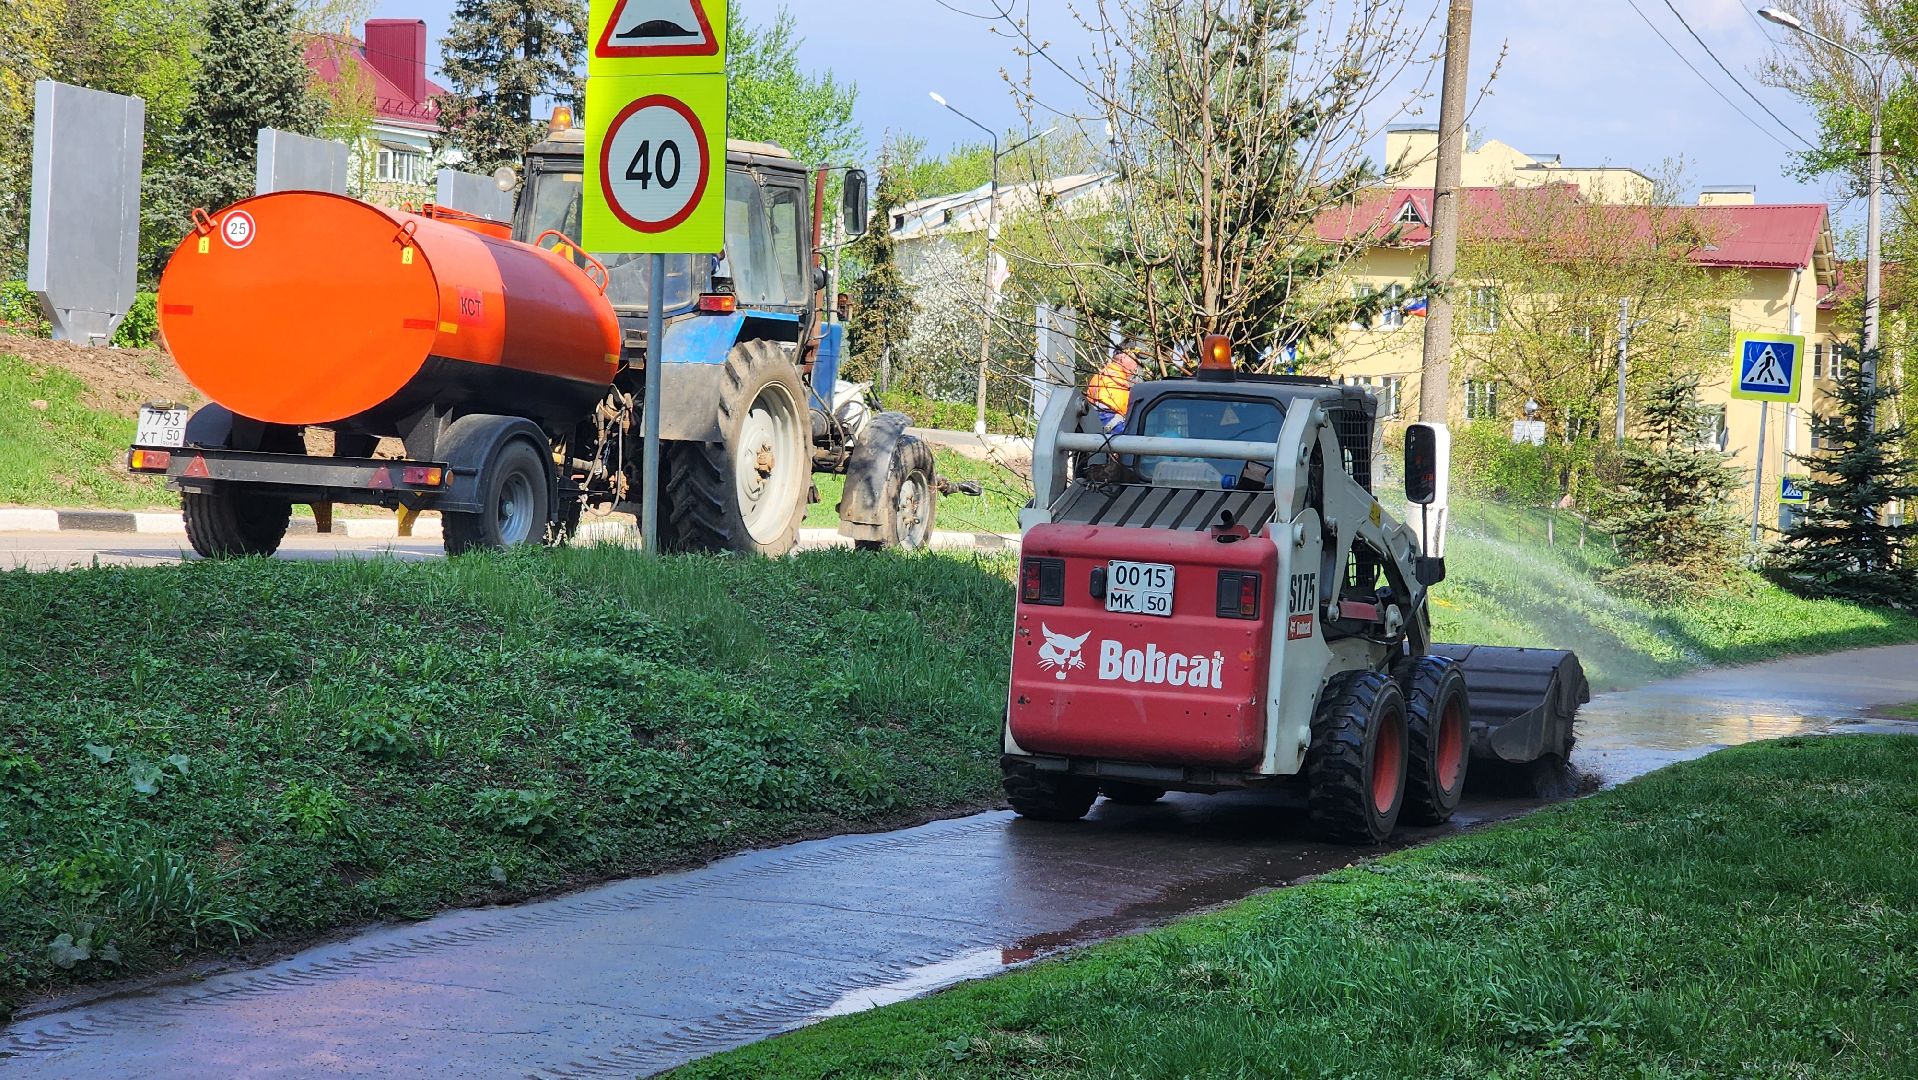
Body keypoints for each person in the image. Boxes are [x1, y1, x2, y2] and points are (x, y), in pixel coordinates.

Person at [1087, 341, 1144, 433]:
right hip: (1110, 435)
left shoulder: (1108, 376)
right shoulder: (1111, 380)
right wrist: (1126, 434)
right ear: (1123, 358)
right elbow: (1104, 416)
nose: (1136, 365)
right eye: (1135, 360)